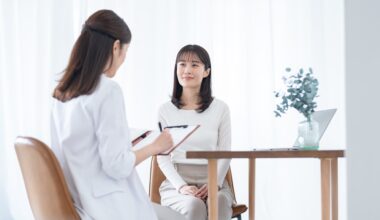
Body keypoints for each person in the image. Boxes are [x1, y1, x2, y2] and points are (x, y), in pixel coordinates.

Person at [50, 9, 185, 220]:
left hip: (79, 203)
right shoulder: (107, 91)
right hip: (109, 208)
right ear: (115, 47)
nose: (123, 60)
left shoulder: (62, 94)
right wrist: (154, 147)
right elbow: (117, 167)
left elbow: (81, 150)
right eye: (125, 51)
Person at [157, 44, 234, 220]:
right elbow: (162, 156)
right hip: (177, 181)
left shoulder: (220, 108)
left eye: (195, 65)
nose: (187, 70)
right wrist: (181, 187)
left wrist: (215, 183)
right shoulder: (165, 110)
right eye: (182, 64)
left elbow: (226, 151)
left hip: (214, 179)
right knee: (194, 205)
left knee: (219, 202)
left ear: (206, 71)